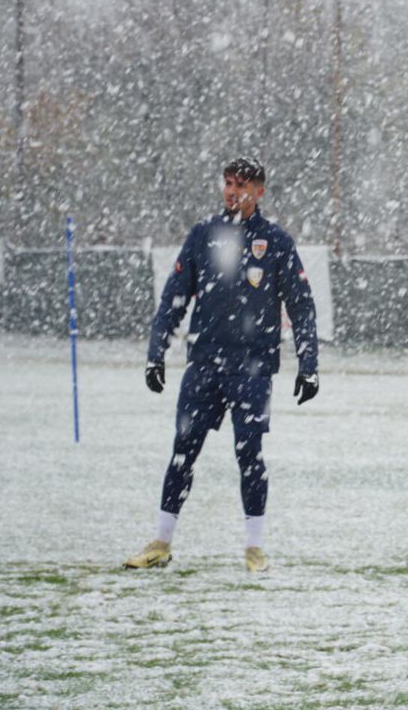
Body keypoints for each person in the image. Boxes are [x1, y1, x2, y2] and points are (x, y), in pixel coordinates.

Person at [124, 157, 319, 573]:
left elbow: (301, 306)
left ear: (260, 191)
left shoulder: (276, 242)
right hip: (205, 366)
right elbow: (174, 297)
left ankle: (254, 549)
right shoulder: (204, 236)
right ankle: (161, 542)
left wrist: (309, 363)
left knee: (249, 454)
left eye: (243, 185)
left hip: (252, 369)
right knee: (182, 452)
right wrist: (156, 352)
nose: (233, 191)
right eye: (228, 183)